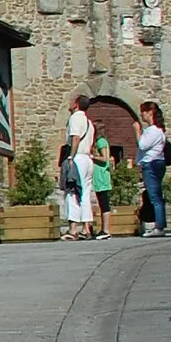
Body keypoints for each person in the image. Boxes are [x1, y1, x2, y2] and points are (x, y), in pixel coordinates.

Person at [137, 101, 171, 237]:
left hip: (151, 164)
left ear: (150, 113)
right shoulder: (159, 131)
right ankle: (159, 225)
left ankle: (159, 227)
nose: (142, 115)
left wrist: (137, 132)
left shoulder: (153, 131)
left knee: (155, 197)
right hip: (156, 163)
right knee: (156, 196)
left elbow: (142, 145)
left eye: (143, 112)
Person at [62, 96, 97, 239]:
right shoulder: (89, 122)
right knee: (85, 194)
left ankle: (73, 229)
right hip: (87, 158)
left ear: (76, 104)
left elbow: (75, 138)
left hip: (78, 157)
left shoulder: (76, 118)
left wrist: (70, 156)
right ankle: (86, 228)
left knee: (72, 191)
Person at [93, 134, 114, 236]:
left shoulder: (101, 141)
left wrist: (92, 157)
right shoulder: (101, 141)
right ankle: (103, 229)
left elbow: (104, 158)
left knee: (104, 204)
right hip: (99, 178)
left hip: (101, 177)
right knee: (102, 204)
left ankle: (105, 230)